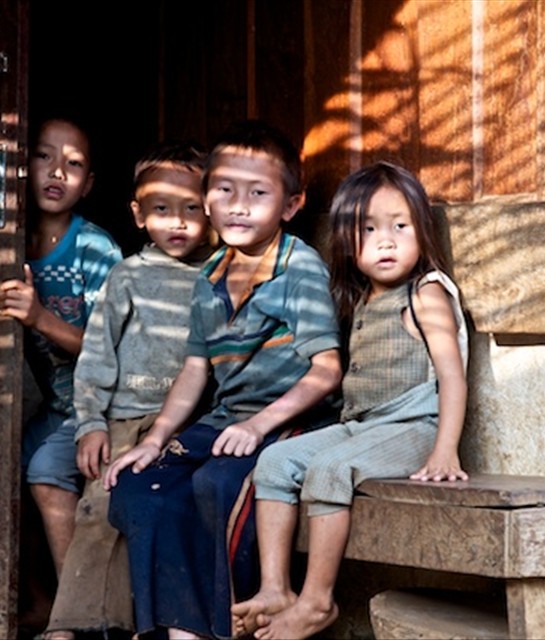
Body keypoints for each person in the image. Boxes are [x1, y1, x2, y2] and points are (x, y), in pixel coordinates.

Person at [104, 121, 343, 640]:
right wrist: (154, 438)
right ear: (207, 198)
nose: (238, 206)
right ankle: (180, 630)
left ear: (291, 205)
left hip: (293, 422)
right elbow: (196, 368)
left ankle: (233, 624)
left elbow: (327, 369)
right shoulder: (210, 275)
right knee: (140, 488)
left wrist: (258, 426)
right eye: (225, 190)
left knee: (219, 484)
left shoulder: (297, 269)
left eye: (257, 194)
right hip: (227, 420)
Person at [231, 161, 470, 640]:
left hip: (415, 430)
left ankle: (317, 601)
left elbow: (453, 377)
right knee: (273, 462)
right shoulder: (361, 299)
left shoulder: (425, 293)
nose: (386, 242)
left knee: (330, 469)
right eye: (368, 230)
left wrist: (445, 449)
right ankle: (275, 589)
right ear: (346, 240)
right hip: (363, 427)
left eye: (400, 227)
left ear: (422, 230)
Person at [43, 142, 215, 639]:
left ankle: (150, 624)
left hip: (186, 424)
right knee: (98, 511)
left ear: (210, 210)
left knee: (166, 516)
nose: (177, 222)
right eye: (161, 209)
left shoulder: (218, 274)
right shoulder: (128, 276)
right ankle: (67, 626)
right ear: (138, 215)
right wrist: (91, 424)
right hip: (122, 421)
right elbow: (96, 354)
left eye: (191, 209)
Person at [0, 116, 122, 587]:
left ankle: (77, 609)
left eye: (74, 164)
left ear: (88, 184)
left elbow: (112, 348)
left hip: (97, 406)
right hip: (55, 407)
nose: (57, 172)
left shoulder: (94, 249)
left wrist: (39, 318)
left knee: (46, 472)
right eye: (44, 156)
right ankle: (32, 600)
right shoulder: (5, 243)